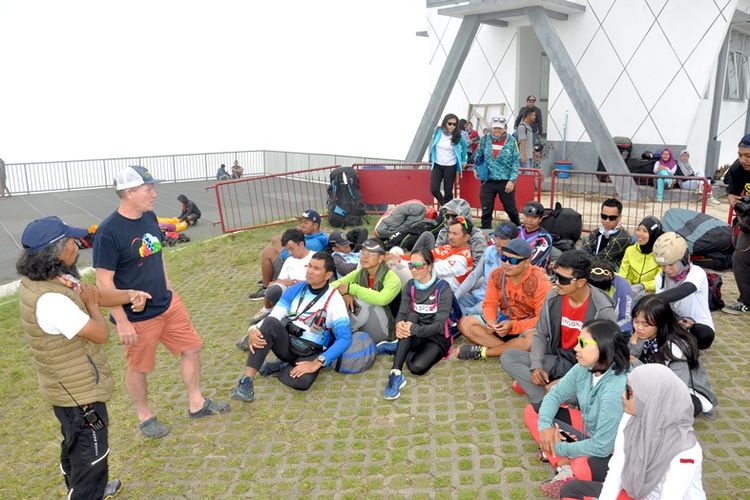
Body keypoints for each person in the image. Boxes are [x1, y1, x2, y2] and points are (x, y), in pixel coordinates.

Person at [17, 216, 151, 499]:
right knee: (92, 456)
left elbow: (94, 294)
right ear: (56, 251)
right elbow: (100, 333)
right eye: (70, 242)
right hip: (78, 395)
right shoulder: (52, 301)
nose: (76, 245)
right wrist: (92, 306)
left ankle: (91, 488)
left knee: (76, 447)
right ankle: (87, 491)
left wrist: (130, 294)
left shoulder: (51, 277)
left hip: (68, 387)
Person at [93, 165, 230, 439]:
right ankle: (145, 416)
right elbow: (103, 284)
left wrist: (170, 289)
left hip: (168, 304)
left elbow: (157, 256)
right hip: (137, 316)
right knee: (139, 367)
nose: (154, 193)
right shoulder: (109, 232)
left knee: (191, 348)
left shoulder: (149, 217)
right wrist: (121, 321)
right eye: (148, 189)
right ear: (129, 193)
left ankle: (196, 402)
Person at [568, 364, 707, 499]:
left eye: (630, 392)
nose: (623, 395)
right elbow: (617, 468)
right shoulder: (631, 418)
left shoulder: (686, 451)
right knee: (571, 489)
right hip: (638, 493)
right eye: (625, 388)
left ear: (651, 399)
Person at [501, 250, 617, 404]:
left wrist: (565, 381)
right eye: (555, 276)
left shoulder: (603, 311)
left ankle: (550, 396)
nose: (556, 282)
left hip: (585, 368)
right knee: (509, 357)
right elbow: (540, 334)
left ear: (581, 282)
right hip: (559, 358)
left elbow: (605, 360)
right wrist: (536, 366)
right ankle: (544, 399)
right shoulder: (552, 298)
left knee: (590, 395)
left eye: (562, 279)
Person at [528, 319, 628, 497]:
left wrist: (559, 448)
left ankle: (560, 460)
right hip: (587, 431)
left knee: (583, 468)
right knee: (532, 411)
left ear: (603, 348)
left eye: (583, 343)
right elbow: (555, 395)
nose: (576, 348)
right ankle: (565, 465)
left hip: (610, 451)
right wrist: (545, 428)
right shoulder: (585, 367)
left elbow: (602, 447)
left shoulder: (615, 389)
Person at [230, 252, 352, 399]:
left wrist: (316, 363)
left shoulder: (335, 299)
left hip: (310, 350)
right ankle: (246, 383)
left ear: (328, 275)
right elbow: (275, 315)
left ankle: (281, 366)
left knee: (302, 383)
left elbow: (345, 338)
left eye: (316, 269)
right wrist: (252, 329)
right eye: (309, 266)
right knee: (269, 323)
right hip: (287, 343)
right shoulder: (297, 288)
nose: (310, 271)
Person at [457, 238, 550, 360]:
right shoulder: (496, 274)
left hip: (526, 327)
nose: (506, 263)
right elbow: (490, 303)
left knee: (531, 341)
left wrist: (513, 326)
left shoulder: (540, 281)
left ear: (527, 262)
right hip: (503, 322)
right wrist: (491, 321)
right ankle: (513, 350)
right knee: (464, 323)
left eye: (512, 260)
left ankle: (484, 352)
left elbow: (540, 320)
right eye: (504, 258)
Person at [629, 295, 718, 418]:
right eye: (636, 321)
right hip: (659, 386)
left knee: (653, 411)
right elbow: (630, 358)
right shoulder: (644, 335)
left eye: (645, 324)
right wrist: (635, 346)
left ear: (661, 323)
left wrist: (637, 365)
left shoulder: (675, 347)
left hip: (688, 393)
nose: (639, 328)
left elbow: (677, 386)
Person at [383, 249, 454, 400]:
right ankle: (396, 373)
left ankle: (400, 348)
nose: (414, 270)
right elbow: (402, 313)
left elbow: (439, 325)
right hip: (414, 331)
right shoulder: (410, 285)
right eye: (411, 265)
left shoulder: (443, 288)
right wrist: (399, 325)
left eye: (418, 266)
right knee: (411, 317)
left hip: (437, 336)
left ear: (429, 266)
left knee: (417, 368)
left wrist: (411, 328)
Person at [652, 232, 715, 349]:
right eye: (662, 265)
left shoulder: (697, 272)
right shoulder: (660, 277)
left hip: (697, 324)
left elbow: (684, 290)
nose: (667, 270)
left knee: (704, 336)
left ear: (684, 259)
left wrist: (651, 300)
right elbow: (662, 306)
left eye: (671, 264)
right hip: (675, 321)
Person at [332, 238, 402, 344]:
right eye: (362, 252)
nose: (364, 256)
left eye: (369, 253)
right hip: (366, 322)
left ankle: (341, 335)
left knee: (363, 302)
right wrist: (345, 293)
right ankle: (340, 333)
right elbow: (333, 285)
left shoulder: (391, 278)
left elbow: (382, 299)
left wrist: (352, 288)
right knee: (342, 298)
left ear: (380, 258)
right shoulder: (361, 272)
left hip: (387, 329)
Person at [249, 210, 329, 299]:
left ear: (315, 226)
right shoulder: (313, 235)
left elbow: (291, 256)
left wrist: (286, 248)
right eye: (301, 222)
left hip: (294, 263)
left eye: (306, 223)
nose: (302, 225)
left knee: (268, 252)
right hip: (294, 257)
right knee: (276, 239)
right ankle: (270, 276)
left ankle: (265, 287)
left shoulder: (314, 243)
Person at [245, 228, 313, 328]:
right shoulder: (289, 260)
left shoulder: (315, 258)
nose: (289, 253)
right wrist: (286, 282)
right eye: (287, 250)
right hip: (289, 295)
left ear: (301, 244)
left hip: (309, 295)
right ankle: (267, 311)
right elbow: (279, 280)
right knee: (273, 289)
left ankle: (276, 319)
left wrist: (302, 283)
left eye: (291, 249)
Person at [454, 221, 518, 316]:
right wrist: (455, 296)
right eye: (496, 236)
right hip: (479, 295)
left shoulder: (516, 260)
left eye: (502, 238)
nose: (497, 240)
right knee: (452, 299)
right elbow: (474, 275)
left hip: (496, 303)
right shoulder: (489, 251)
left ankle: (461, 320)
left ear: (513, 240)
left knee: (471, 312)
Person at [472, 116, 522, 227]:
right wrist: (475, 168)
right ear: (491, 128)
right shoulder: (485, 138)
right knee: (486, 210)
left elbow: (516, 161)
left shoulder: (511, 141)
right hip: (488, 181)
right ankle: (486, 232)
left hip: (505, 182)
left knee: (510, 209)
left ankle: (518, 229)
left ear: (504, 128)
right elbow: (478, 155)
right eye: (495, 128)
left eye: (500, 128)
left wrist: (512, 180)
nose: (497, 131)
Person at [722, 133, 750, 315]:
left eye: (748, 156)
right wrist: (733, 198)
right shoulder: (737, 169)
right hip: (748, 220)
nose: (743, 159)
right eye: (740, 154)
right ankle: (746, 301)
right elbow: (730, 191)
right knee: (739, 259)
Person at [429, 113, 468, 206]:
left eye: (454, 124)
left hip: (450, 166)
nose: (452, 126)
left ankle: (448, 214)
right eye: (450, 123)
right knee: (434, 189)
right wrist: (430, 157)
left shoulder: (458, 135)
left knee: (448, 192)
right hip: (437, 165)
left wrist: (464, 160)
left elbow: (464, 146)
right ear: (445, 123)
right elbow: (432, 145)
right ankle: (445, 206)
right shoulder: (437, 131)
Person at [617, 216, 663, 293]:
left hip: (651, 294)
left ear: (653, 234)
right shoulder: (630, 250)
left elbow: (661, 281)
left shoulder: (661, 254)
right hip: (631, 291)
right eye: (638, 229)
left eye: (645, 231)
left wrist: (643, 286)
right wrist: (625, 288)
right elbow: (623, 275)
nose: (640, 234)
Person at [581, 198, 631, 269]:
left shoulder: (623, 237)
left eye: (612, 218)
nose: (607, 221)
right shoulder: (595, 232)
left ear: (619, 218)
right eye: (604, 216)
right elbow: (583, 254)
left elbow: (601, 259)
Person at [587, 259, 633, 335]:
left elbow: (626, 320)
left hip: (611, 326)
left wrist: (604, 331)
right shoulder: (583, 280)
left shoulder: (623, 285)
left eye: (601, 288)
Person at [518, 201, 553, 269]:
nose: (529, 220)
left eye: (534, 217)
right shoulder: (517, 231)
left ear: (540, 219)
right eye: (527, 216)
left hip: (533, 273)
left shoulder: (544, 238)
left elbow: (534, 262)